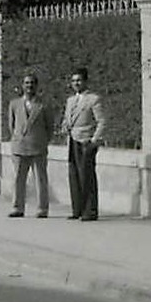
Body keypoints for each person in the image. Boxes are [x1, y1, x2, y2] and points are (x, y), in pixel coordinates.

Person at [59, 66, 108, 221]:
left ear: (86, 81)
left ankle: (90, 211)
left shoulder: (93, 99)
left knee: (87, 176)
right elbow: (67, 120)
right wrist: (64, 126)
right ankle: (77, 209)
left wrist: (94, 141)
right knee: (74, 175)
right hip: (72, 141)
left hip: (85, 141)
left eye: (79, 80)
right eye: (73, 81)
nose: (76, 83)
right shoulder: (70, 100)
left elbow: (102, 121)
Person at [6, 73, 52, 218]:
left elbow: (49, 126)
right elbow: (11, 125)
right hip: (19, 146)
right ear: (22, 85)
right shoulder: (14, 104)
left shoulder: (43, 105)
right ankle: (17, 207)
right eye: (26, 83)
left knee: (41, 179)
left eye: (32, 83)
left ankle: (42, 209)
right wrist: (17, 138)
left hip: (38, 146)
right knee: (18, 179)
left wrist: (43, 141)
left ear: (36, 86)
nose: (29, 86)